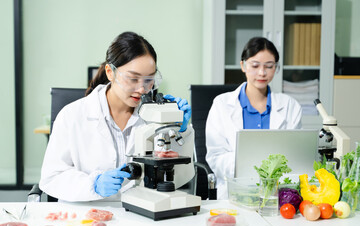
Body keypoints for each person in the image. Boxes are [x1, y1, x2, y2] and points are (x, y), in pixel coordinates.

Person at [39, 32, 191, 202]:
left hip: (141, 213)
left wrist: (180, 129)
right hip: (87, 217)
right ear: (110, 72)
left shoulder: (154, 116)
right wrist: (92, 185)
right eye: (133, 79)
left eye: (149, 80)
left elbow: (180, 177)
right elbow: (51, 178)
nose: (142, 89)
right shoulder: (72, 116)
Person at [205, 37, 302, 199]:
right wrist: (257, 166)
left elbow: (295, 155)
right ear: (243, 65)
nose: (262, 73)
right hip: (234, 193)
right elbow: (216, 157)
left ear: (276, 68)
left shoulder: (290, 106)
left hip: (276, 195)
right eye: (255, 65)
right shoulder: (222, 104)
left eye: (269, 66)